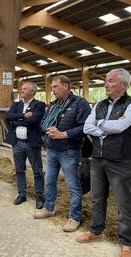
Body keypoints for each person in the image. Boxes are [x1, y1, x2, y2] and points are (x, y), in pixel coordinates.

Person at [77, 68, 131, 257]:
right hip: (98, 158)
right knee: (97, 198)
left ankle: (127, 243)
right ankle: (96, 231)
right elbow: (87, 127)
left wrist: (100, 125)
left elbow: (122, 126)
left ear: (124, 85)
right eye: (106, 81)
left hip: (121, 160)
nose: (106, 84)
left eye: (111, 81)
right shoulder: (99, 104)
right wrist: (106, 127)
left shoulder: (130, 104)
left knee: (124, 202)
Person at [33, 75, 91, 233]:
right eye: (52, 87)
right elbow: (43, 122)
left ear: (66, 86)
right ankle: (49, 208)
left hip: (69, 150)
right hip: (51, 149)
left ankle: (74, 217)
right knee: (50, 181)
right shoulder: (53, 105)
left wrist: (63, 134)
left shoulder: (80, 103)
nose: (53, 90)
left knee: (73, 185)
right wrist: (48, 130)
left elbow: (85, 127)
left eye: (55, 87)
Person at [5, 82, 45, 208]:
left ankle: (39, 196)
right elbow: (8, 116)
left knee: (37, 171)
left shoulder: (39, 104)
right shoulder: (16, 104)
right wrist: (23, 116)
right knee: (19, 170)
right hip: (17, 143)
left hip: (31, 143)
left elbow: (34, 120)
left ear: (32, 92)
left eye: (24, 89)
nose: (21, 91)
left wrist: (16, 122)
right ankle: (22, 194)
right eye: (21, 89)